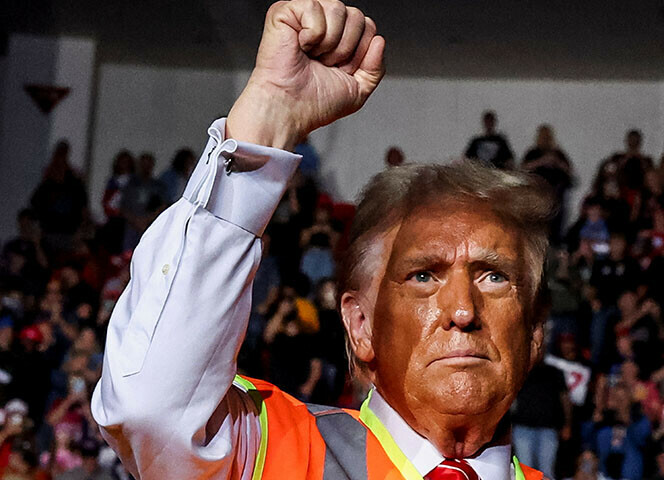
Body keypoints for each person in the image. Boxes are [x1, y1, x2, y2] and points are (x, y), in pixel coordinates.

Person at [91, 2, 548, 479]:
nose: (462, 311)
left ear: (535, 332)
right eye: (423, 275)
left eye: (495, 276)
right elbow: (155, 408)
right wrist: (268, 119)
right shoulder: (273, 450)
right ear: (361, 324)